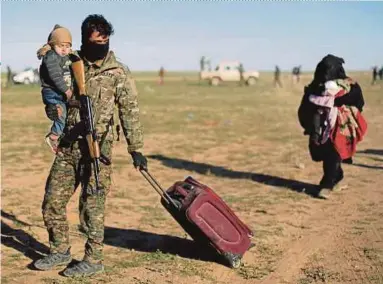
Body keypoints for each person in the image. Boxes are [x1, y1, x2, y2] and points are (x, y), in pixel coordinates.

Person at [33, 14, 148, 277]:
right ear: (84, 40)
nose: (101, 46)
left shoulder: (117, 72)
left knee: (92, 205)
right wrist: (52, 108)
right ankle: (59, 250)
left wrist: (136, 149)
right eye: (96, 41)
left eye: (105, 41)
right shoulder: (70, 63)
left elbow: (129, 111)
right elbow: (51, 83)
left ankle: (93, 259)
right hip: (69, 145)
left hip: (98, 150)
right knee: (52, 201)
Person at [298, 54, 367, 199]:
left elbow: (359, 103)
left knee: (334, 152)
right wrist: (311, 126)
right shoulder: (315, 87)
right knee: (325, 154)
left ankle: (326, 185)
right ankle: (337, 175)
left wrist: (340, 105)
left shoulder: (350, 86)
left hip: (339, 128)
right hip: (320, 128)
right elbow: (305, 108)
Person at [38, 24, 74, 153]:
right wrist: (67, 90)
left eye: (67, 46)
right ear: (53, 45)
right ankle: (53, 136)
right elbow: (55, 76)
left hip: (60, 92)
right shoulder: (51, 56)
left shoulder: (66, 56)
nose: (64, 49)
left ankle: (61, 136)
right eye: (60, 46)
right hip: (53, 92)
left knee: (67, 114)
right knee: (61, 115)